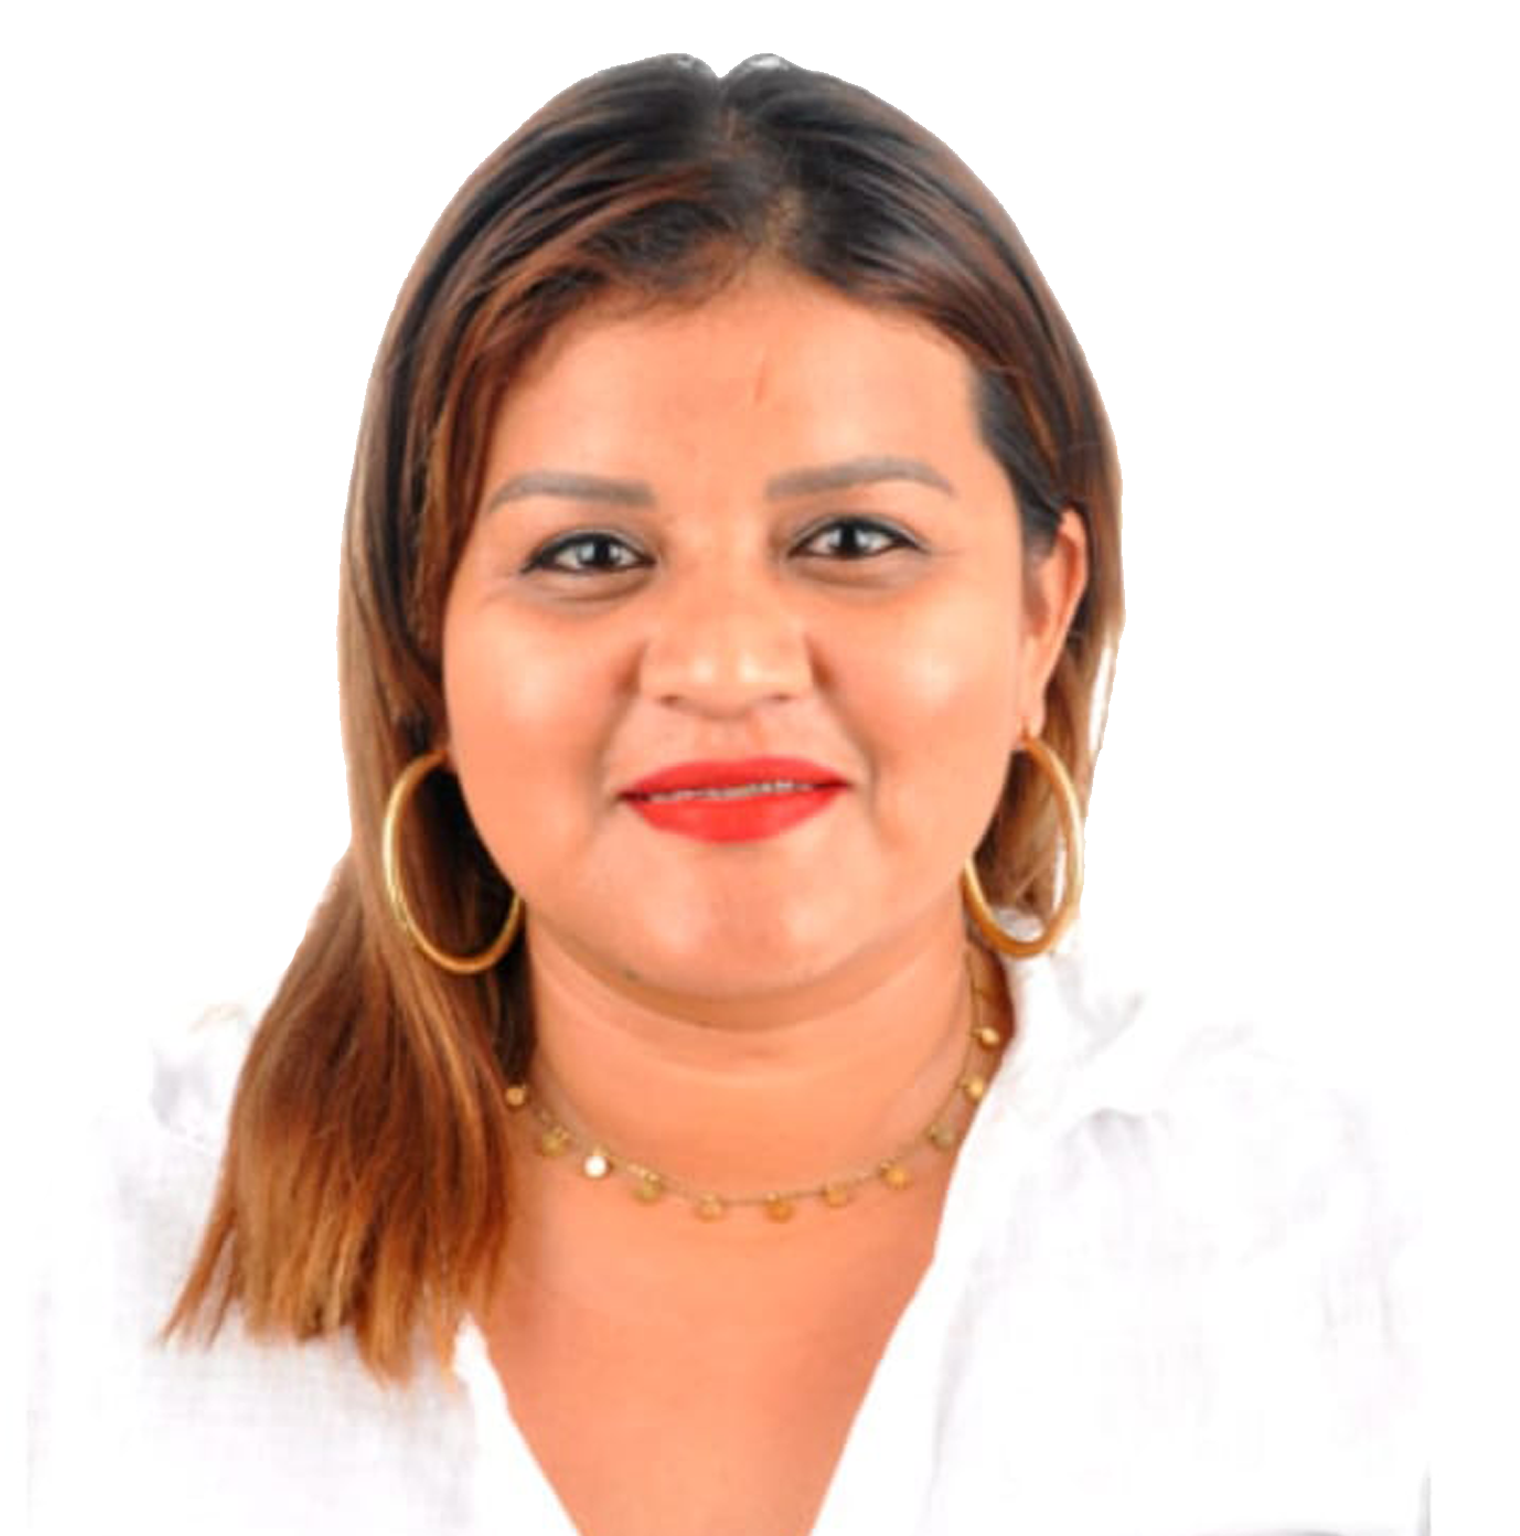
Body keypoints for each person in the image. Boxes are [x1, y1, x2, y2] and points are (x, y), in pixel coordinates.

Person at [24, 53, 1427, 1535]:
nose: (722, 662)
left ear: (1040, 614)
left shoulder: (1390, 1231)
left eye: (853, 538)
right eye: (589, 556)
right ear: (424, 650)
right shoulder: (70, 1255)